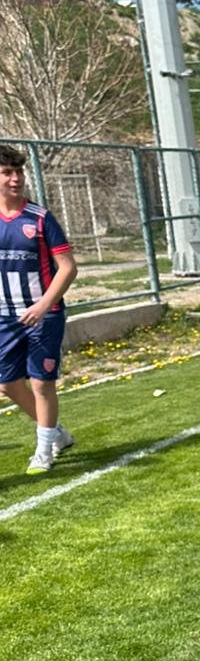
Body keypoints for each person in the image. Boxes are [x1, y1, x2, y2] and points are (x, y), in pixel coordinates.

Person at [0, 144, 77, 475]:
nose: (16, 179)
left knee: (41, 384)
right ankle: (56, 431)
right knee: (7, 384)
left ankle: (44, 449)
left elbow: (68, 267)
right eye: (7, 173)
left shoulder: (40, 218)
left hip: (44, 316)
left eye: (19, 172)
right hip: (4, 316)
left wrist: (44, 305)